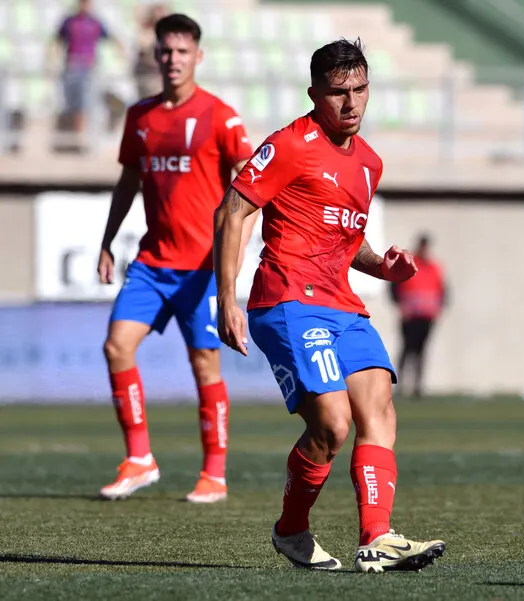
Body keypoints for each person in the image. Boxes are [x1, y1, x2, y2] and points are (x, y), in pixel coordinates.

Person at [213, 38, 446, 573]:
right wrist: (226, 297)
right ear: (314, 94)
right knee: (333, 424)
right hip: (288, 300)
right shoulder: (290, 145)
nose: (351, 102)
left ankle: (377, 537)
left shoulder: (369, 163)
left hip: (343, 305)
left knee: (379, 408)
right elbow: (232, 211)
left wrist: (383, 267)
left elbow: (346, 238)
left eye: (360, 89)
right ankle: (291, 530)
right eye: (339, 92)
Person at [96, 13, 256, 504]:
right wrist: (107, 240)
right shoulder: (140, 116)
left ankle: (215, 474)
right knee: (116, 347)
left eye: (182, 51)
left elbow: (252, 192)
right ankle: (139, 458)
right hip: (152, 262)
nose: (173, 59)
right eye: (165, 51)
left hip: (202, 268)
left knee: (205, 364)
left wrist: (233, 258)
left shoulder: (220, 116)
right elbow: (128, 181)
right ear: (155, 55)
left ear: (197, 56)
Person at [50, 0, 126, 144]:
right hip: (72, 66)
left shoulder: (95, 23)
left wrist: (121, 54)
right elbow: (57, 41)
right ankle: (77, 137)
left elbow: (112, 38)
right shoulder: (69, 22)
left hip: (88, 68)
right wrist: (52, 59)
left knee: (84, 104)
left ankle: (81, 138)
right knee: (73, 104)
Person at [391, 234, 446, 398]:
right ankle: (400, 385)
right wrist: (401, 307)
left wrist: (437, 310)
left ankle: (418, 386)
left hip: (427, 316)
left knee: (421, 351)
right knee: (407, 350)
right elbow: (394, 287)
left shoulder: (434, 267)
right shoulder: (408, 264)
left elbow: (442, 291)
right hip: (410, 316)